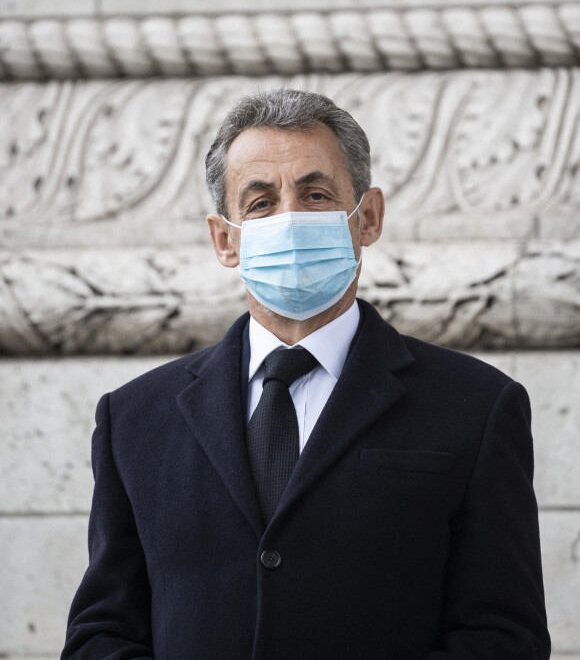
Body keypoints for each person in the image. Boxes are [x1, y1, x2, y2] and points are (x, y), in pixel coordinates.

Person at [61, 88, 550, 659]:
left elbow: (503, 637)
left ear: (366, 218)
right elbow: (102, 633)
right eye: (262, 202)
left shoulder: (477, 406)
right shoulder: (135, 418)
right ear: (225, 240)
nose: (290, 218)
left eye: (316, 195)